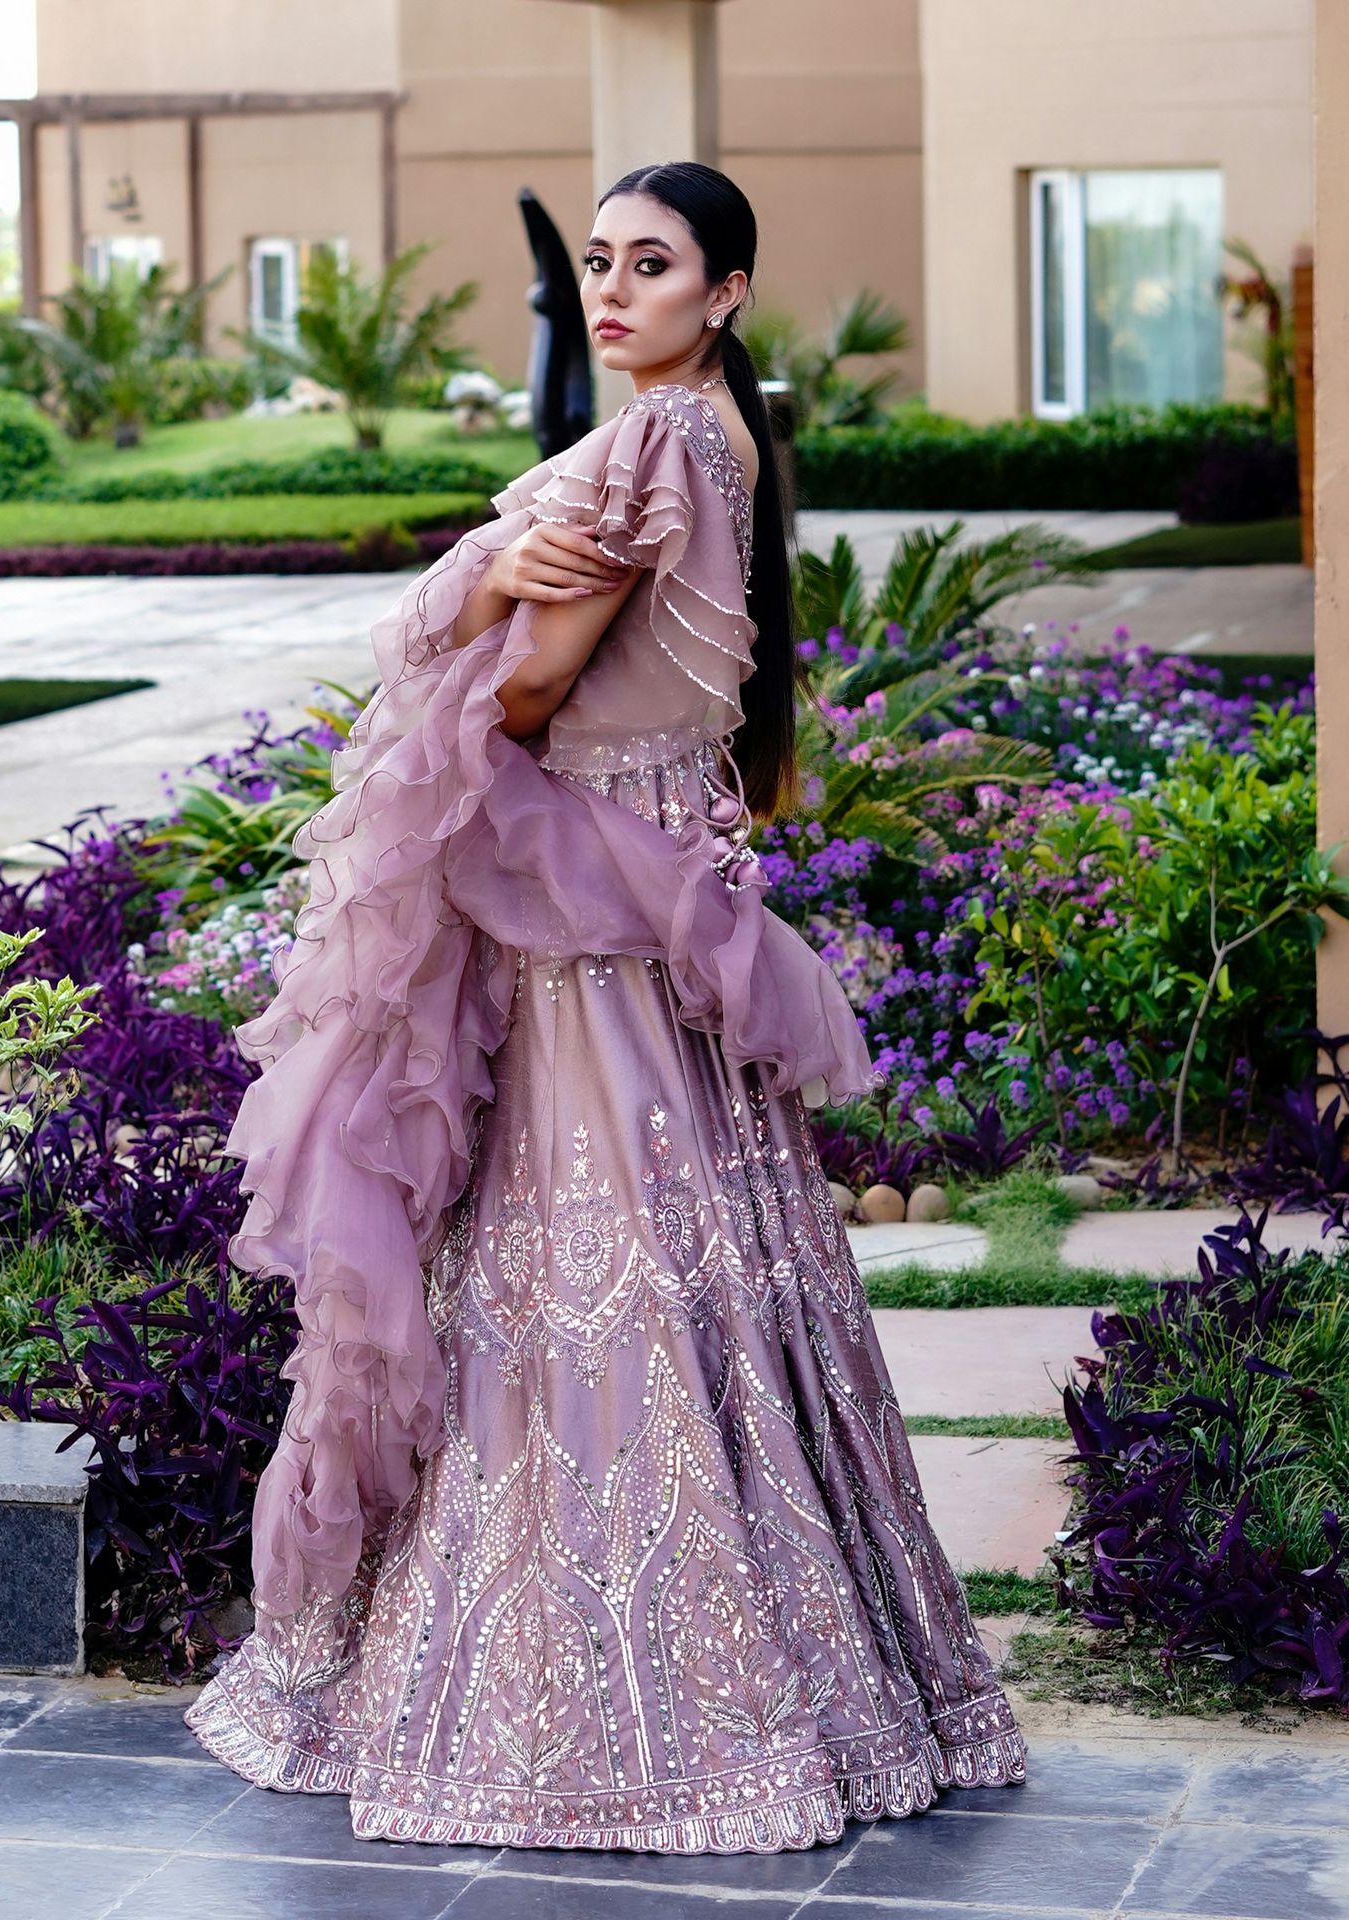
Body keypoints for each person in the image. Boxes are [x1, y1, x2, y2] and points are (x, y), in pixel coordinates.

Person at [186, 160, 1026, 1854]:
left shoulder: (650, 443)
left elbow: (539, 680)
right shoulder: (719, 438)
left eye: (656, 263)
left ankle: (616, 1715)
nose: (616, 287)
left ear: (727, 291)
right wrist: (490, 588)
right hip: (652, 893)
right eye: (599, 261)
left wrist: (471, 613)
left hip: (584, 917)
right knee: (714, 1265)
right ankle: (834, 1684)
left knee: (589, 1276)